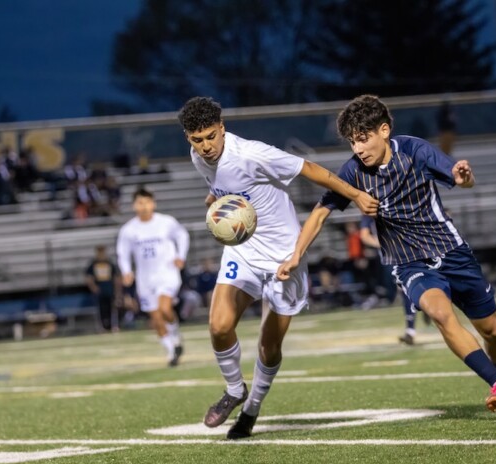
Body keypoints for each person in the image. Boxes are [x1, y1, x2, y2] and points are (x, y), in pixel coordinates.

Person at [278, 94, 496, 414]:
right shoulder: (352, 172)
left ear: (384, 130)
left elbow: (459, 177)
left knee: (493, 333)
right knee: (439, 314)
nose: (358, 149)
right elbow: (321, 212)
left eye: (363, 139)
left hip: (452, 252)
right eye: (352, 142)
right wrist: (297, 254)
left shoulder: (414, 150)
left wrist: (466, 178)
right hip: (409, 263)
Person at [177, 96, 377, 439]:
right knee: (219, 325)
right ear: (189, 139)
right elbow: (224, 185)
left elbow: (312, 170)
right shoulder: (198, 157)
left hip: (285, 256)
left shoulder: (253, 154)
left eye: (211, 136)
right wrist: (215, 199)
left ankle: (251, 410)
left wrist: (355, 195)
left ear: (222, 129)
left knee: (269, 346)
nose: (206, 146)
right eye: (198, 139)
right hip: (242, 250)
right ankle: (235, 390)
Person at [116, 187, 189, 366]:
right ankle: (172, 351)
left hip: (166, 272)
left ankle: (175, 335)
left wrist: (181, 256)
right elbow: (123, 253)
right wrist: (126, 271)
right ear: (134, 206)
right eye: (140, 203)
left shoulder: (166, 222)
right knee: (156, 318)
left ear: (153, 203)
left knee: (165, 309)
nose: (144, 206)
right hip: (145, 278)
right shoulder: (129, 230)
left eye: (147, 202)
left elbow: (182, 235)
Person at [359, 214, 428, 345]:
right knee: (404, 288)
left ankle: (413, 325)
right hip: (391, 257)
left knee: (408, 287)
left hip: (407, 251)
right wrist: (381, 242)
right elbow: (364, 236)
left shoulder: (393, 205)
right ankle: (417, 318)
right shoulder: (370, 209)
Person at [85, 245, 121, 332]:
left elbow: (116, 278)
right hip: (100, 291)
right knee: (101, 309)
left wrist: (117, 290)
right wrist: (94, 287)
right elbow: (88, 278)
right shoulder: (93, 264)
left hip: (109, 289)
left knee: (112, 308)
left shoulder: (109, 264)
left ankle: (113, 325)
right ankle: (102, 327)